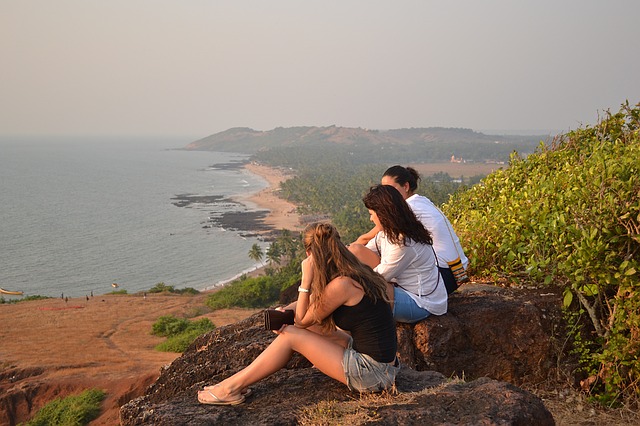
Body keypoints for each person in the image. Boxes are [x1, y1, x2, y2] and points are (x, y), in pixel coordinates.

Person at [197, 222, 399, 406]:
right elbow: (314, 308)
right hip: (382, 364)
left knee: (291, 336)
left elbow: (302, 320)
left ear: (309, 254)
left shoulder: (342, 284)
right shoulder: (354, 271)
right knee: (309, 326)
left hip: (373, 373)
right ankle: (231, 384)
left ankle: (229, 388)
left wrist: (306, 279)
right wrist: (287, 312)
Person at [353, 165, 468, 294]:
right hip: (456, 271)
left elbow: (369, 236)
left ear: (405, 187)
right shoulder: (422, 201)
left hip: (443, 274)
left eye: (390, 189)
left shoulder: (409, 207)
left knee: (363, 254)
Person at [349, 184, 448, 323]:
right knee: (355, 250)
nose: (371, 219)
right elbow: (360, 251)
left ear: (383, 214)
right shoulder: (389, 232)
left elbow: (377, 277)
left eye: (372, 214)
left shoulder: (404, 242)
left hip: (420, 302)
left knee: (361, 288)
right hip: (400, 286)